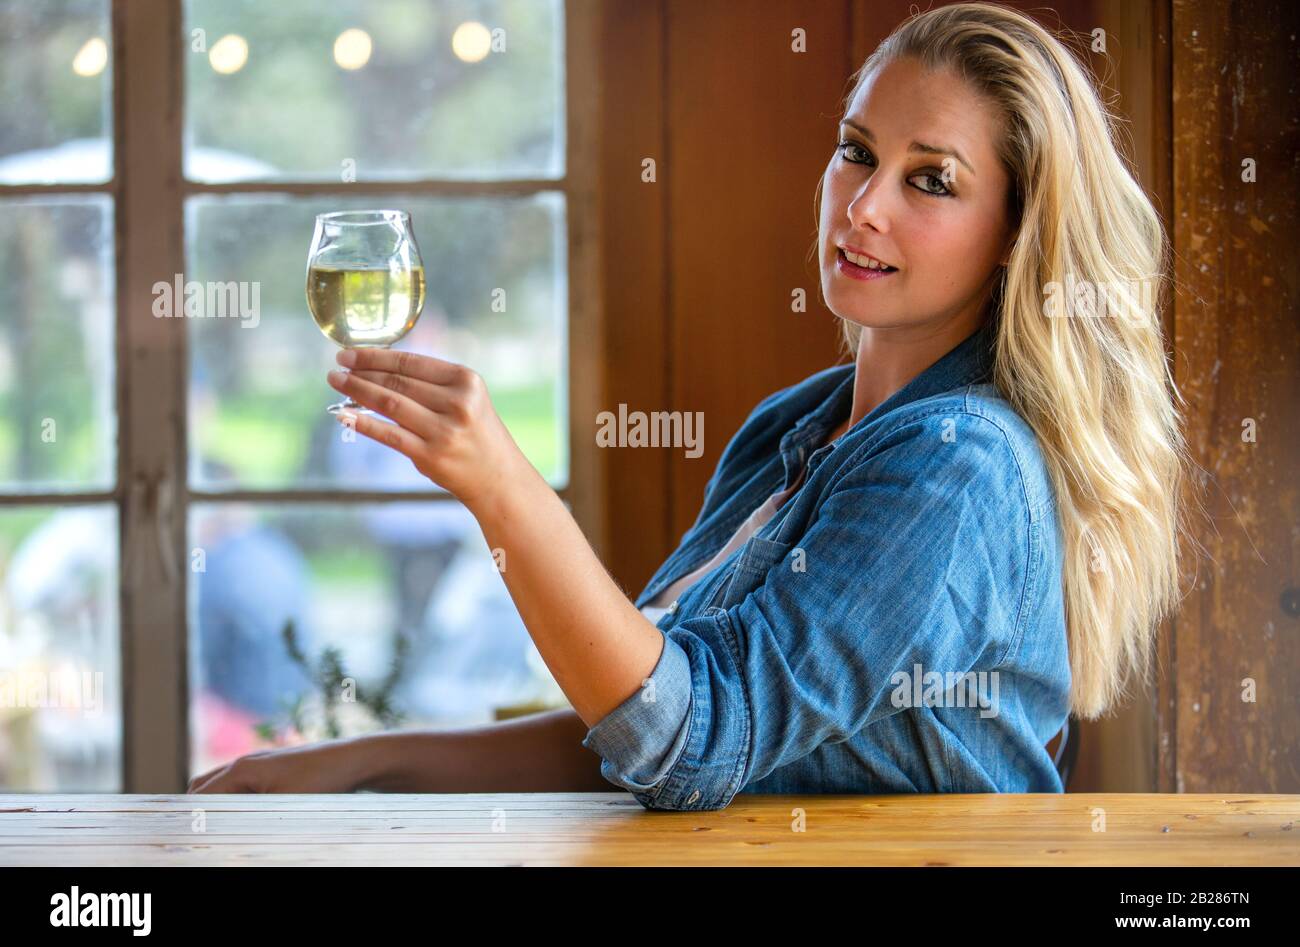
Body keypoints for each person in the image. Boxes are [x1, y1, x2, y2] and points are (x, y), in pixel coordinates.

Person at [189, 3, 1194, 807]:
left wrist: (504, 489)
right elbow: (634, 718)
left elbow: (687, 740)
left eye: (930, 180)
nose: (862, 204)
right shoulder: (792, 428)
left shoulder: (957, 464)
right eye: (856, 150)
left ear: (1017, 234)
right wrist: (359, 763)